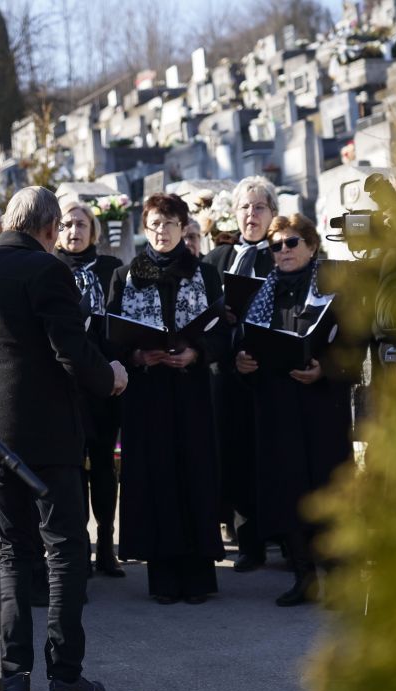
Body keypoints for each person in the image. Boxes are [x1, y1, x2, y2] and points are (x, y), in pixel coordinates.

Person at [0, 186, 127, 691]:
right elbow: (70, 350)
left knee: (11, 552)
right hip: (48, 435)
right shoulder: (48, 270)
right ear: (50, 228)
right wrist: (111, 377)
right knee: (65, 551)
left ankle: (13, 677)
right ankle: (65, 677)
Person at [107, 193, 227, 604]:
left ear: (183, 227)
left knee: (194, 477)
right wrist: (137, 356)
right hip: (148, 394)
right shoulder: (125, 276)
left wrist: (198, 353)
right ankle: (163, 577)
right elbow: (111, 336)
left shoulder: (205, 274)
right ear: (146, 228)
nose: (162, 231)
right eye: (155, 224)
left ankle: (198, 577)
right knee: (156, 478)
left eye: (169, 223)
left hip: (192, 392)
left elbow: (222, 332)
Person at [235, 214, 354, 606]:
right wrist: (243, 363)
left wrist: (326, 369)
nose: (283, 251)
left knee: (329, 490)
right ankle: (305, 577)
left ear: (311, 245)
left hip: (322, 408)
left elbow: (355, 343)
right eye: (276, 246)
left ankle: (338, 579)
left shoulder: (335, 287)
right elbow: (245, 343)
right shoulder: (261, 294)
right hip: (278, 408)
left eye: (291, 243)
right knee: (289, 492)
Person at [201, 175, 279, 572]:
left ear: (272, 213)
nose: (252, 214)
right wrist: (222, 314)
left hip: (268, 372)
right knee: (232, 455)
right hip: (224, 373)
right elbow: (198, 314)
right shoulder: (217, 259)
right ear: (234, 213)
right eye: (245, 207)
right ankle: (248, 542)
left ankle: (283, 537)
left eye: (259, 207)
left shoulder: (281, 254)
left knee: (270, 455)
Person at [54, 198, 125, 578]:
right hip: (67, 383)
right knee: (72, 467)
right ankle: (79, 546)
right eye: (66, 224)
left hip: (104, 380)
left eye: (81, 224)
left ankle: (107, 544)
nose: (73, 231)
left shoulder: (111, 269)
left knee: (103, 465)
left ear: (93, 230)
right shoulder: (50, 268)